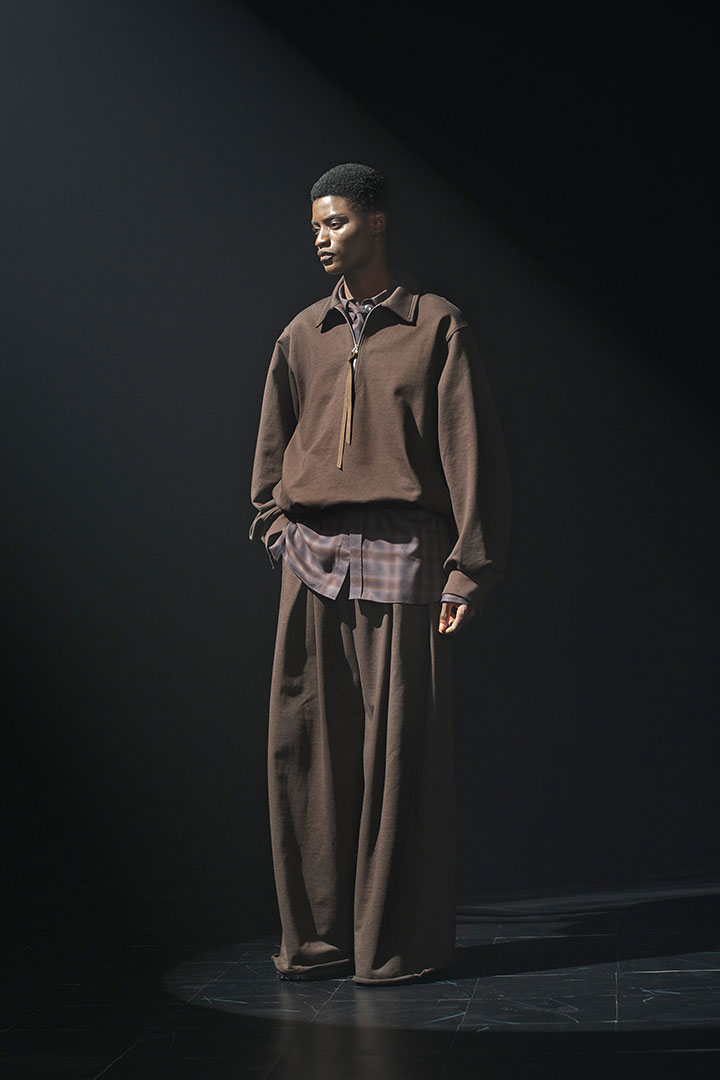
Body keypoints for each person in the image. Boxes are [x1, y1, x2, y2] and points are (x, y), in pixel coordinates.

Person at [249, 163, 511, 986]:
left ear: (376, 222)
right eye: (314, 227)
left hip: (405, 558)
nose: (322, 239)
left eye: (334, 222)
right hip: (313, 563)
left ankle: (393, 946)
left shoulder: (436, 325)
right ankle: (318, 940)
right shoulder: (302, 334)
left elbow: (472, 455)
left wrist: (467, 572)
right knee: (305, 755)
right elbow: (270, 458)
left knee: (400, 760)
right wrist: (278, 533)